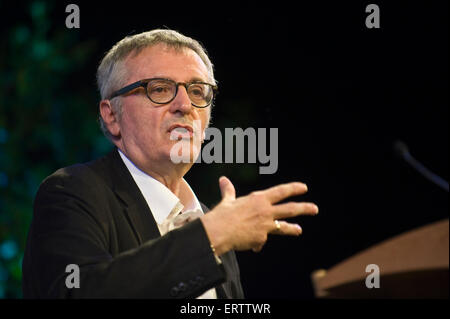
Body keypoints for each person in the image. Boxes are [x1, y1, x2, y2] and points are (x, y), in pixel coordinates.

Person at [22, 29, 319, 298]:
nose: (185, 105)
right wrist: (211, 235)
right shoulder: (72, 193)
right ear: (112, 115)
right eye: (160, 89)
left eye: (198, 91)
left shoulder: (208, 217)